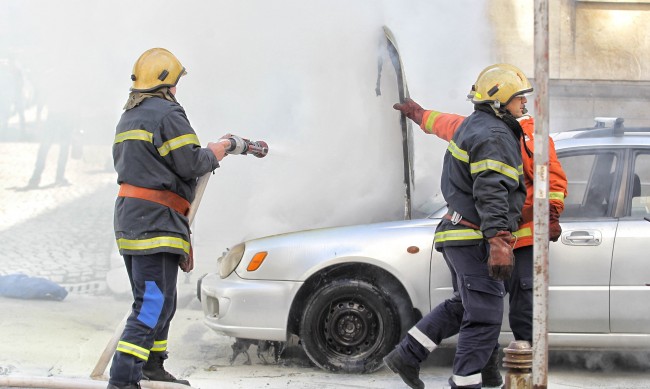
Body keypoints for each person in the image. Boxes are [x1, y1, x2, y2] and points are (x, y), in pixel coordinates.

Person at [390, 64, 568, 388]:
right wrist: (501, 239)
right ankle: (502, 377)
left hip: (505, 235)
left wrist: (551, 212)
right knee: (488, 311)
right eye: (519, 99)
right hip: (496, 235)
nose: (525, 105)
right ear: (502, 103)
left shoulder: (487, 126)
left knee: (475, 306)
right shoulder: (499, 134)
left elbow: (551, 182)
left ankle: (420, 356)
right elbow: (491, 190)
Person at [108, 48, 232, 389]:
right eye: (177, 83)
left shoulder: (128, 116)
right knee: (151, 305)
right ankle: (123, 380)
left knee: (161, 301)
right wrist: (216, 151)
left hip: (132, 220)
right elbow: (191, 163)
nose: (178, 90)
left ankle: (153, 365)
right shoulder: (166, 114)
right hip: (155, 221)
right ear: (168, 84)